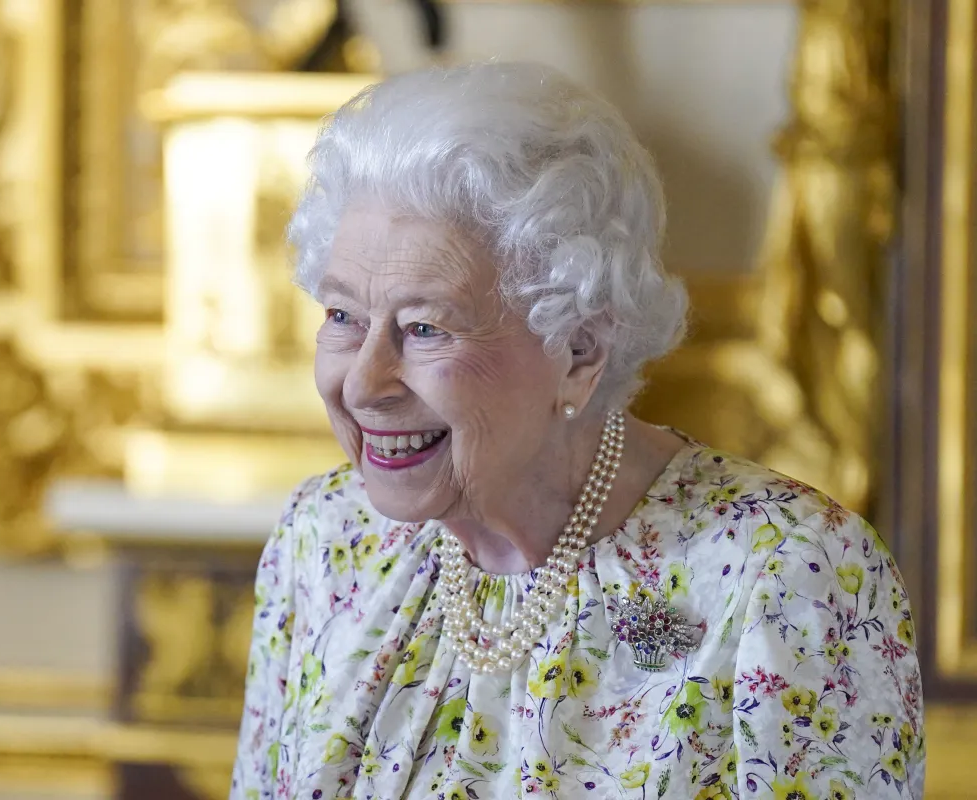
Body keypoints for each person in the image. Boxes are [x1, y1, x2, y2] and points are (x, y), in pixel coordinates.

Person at [229, 62, 924, 799]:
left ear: (579, 352)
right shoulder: (326, 542)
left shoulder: (786, 577)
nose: (363, 383)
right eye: (343, 317)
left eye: (424, 328)